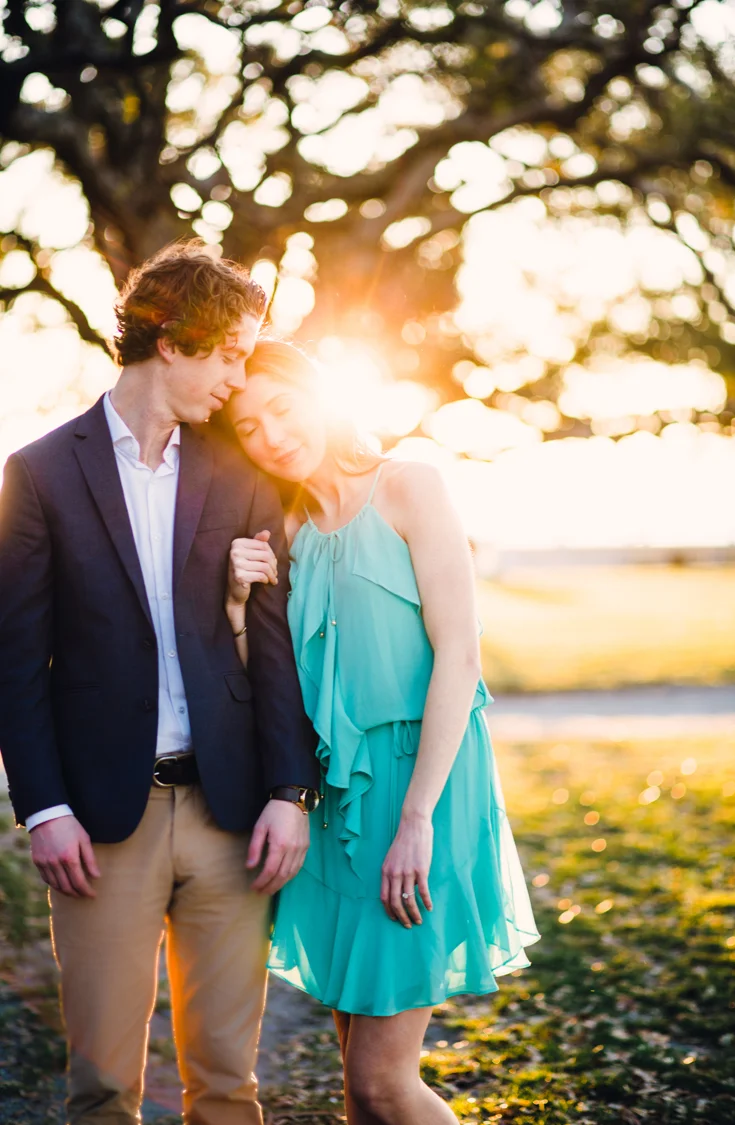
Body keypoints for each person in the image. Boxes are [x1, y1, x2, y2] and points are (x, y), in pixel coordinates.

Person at [0, 244, 320, 1125]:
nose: (239, 376)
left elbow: (275, 642)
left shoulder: (241, 471)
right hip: (101, 825)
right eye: (230, 352)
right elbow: (16, 660)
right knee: (102, 1086)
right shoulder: (39, 473)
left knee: (228, 1084)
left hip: (231, 812)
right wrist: (45, 808)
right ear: (173, 338)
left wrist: (292, 791)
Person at [222, 339, 540, 1125]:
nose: (272, 434)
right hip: (333, 804)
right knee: (354, 1076)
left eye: (283, 407)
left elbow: (459, 656)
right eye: (249, 426)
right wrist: (235, 601)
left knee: (382, 1081)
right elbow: (265, 681)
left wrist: (417, 817)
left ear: (320, 394)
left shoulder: (410, 486)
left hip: (421, 785)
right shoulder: (285, 532)